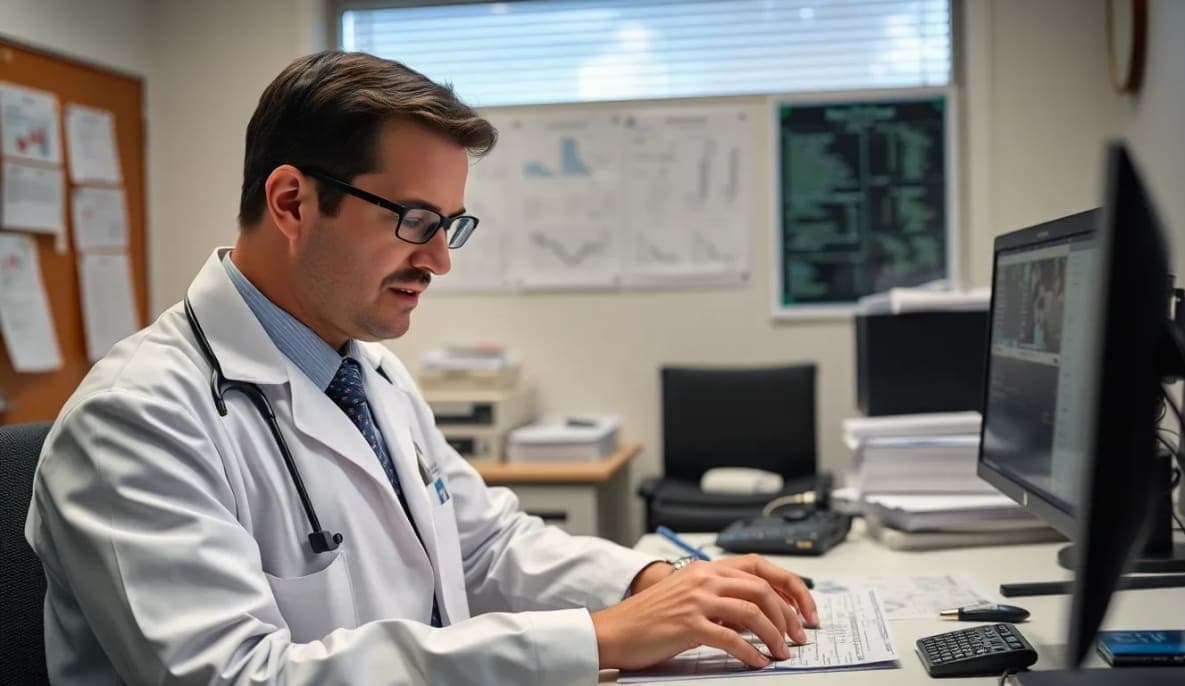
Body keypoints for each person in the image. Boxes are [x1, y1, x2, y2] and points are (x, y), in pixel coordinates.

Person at [25, 51, 818, 685]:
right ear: (293, 203)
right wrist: (591, 637)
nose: (439, 260)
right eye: (414, 221)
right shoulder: (136, 417)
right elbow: (235, 675)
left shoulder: (368, 371)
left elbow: (484, 546)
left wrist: (650, 581)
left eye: (450, 226)